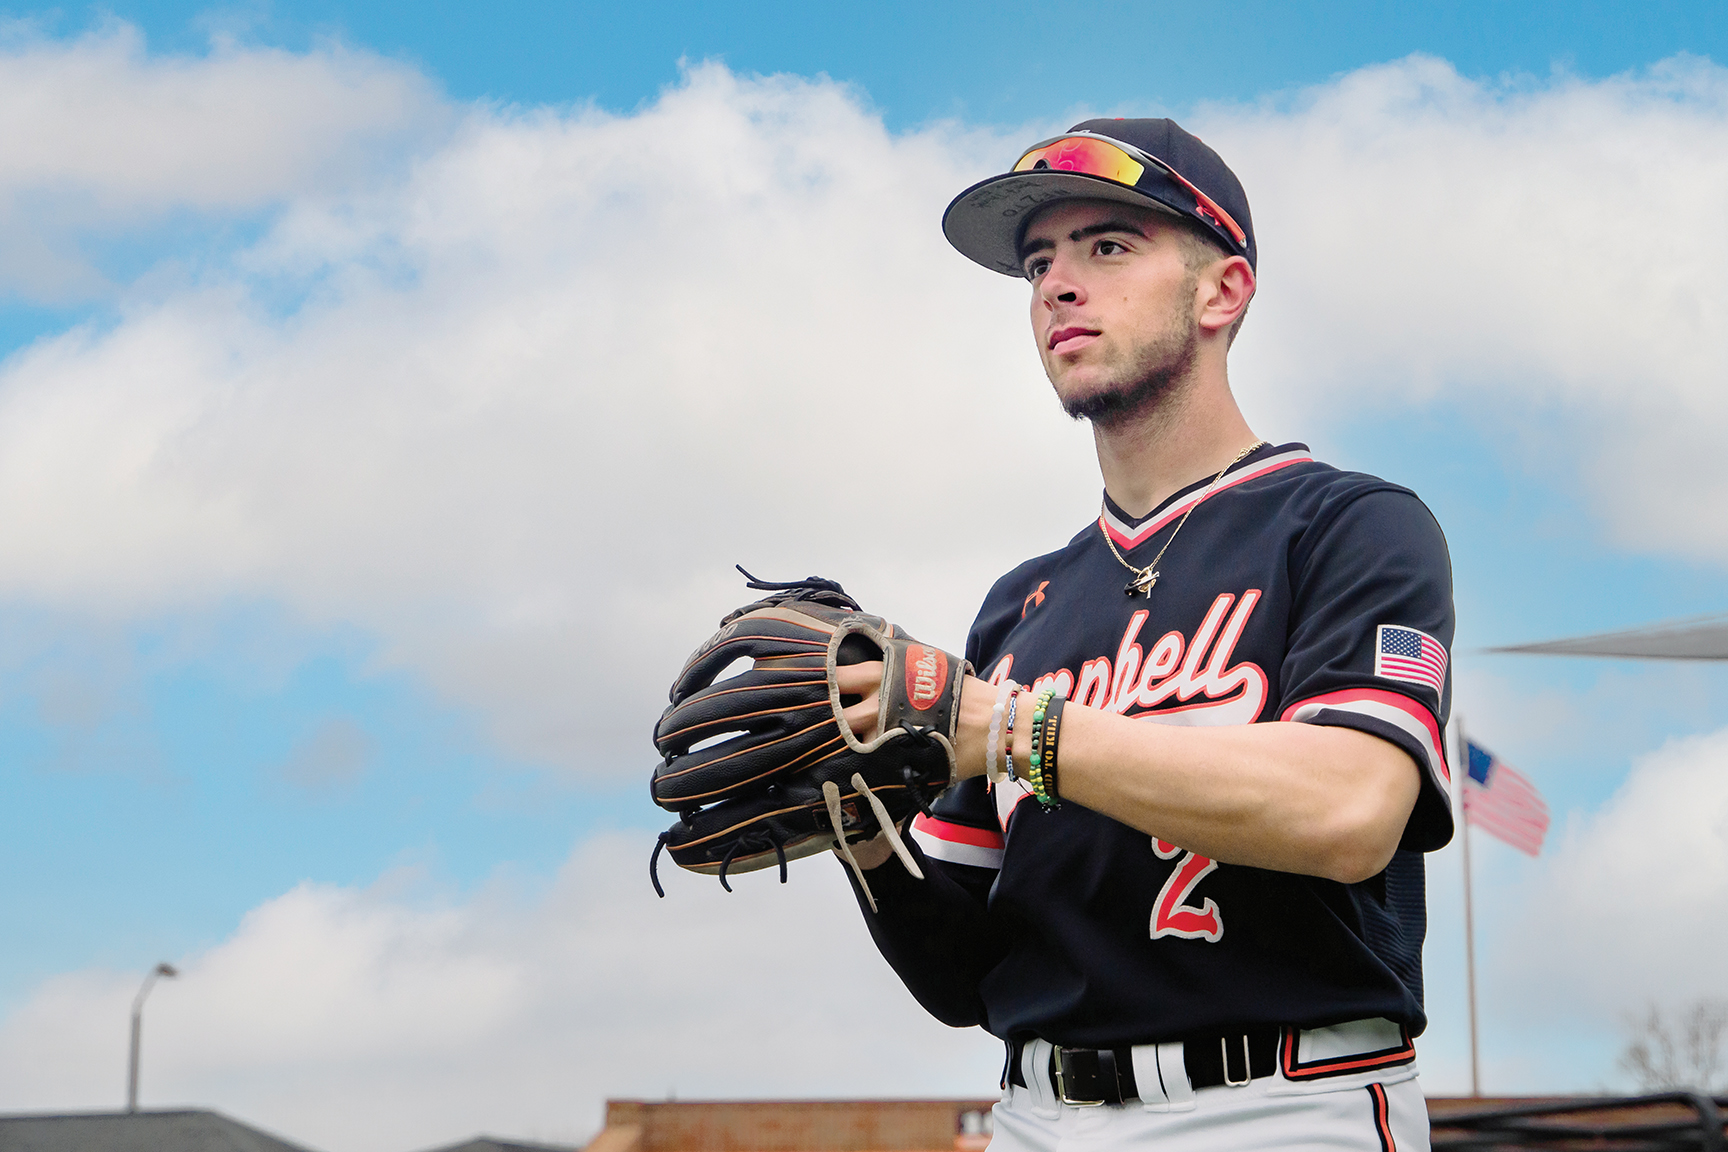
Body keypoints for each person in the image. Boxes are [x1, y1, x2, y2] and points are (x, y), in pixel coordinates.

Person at [831, 119, 1455, 1152]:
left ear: (1223, 292)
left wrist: (1020, 731)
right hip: (1037, 1115)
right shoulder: (1019, 606)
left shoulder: (1349, 526)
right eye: (1040, 261)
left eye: (1107, 247)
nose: (1056, 285)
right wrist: (854, 823)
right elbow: (964, 975)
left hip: (1287, 1104)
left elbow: (1350, 810)